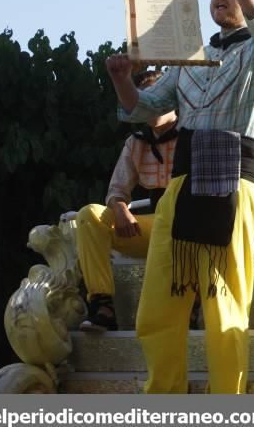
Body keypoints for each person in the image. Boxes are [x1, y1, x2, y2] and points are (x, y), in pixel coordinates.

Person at [105, 0, 254, 394]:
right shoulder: (191, 57)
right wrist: (121, 80)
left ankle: (226, 403)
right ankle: (163, 401)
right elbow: (143, 109)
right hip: (182, 185)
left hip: (237, 181)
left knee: (224, 307)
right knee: (157, 307)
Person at [76, 71, 178, 332]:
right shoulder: (136, 143)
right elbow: (117, 189)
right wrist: (120, 209)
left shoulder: (194, 134)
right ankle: (102, 305)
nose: (151, 105)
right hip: (152, 226)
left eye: (158, 97)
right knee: (89, 215)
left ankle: (193, 305)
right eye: (144, 99)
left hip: (185, 229)